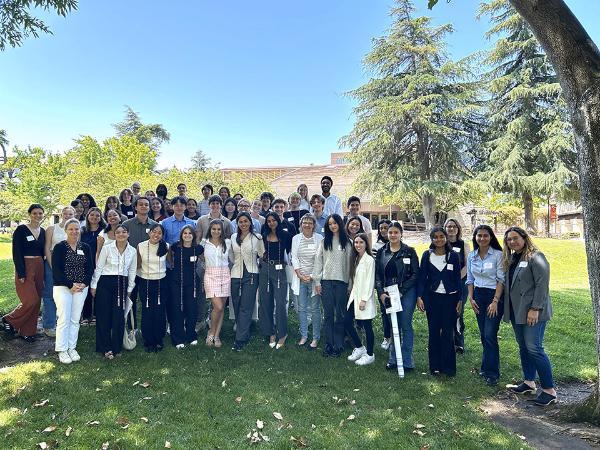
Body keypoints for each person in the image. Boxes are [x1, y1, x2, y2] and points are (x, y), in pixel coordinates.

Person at [503, 226, 557, 406]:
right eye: (509, 239)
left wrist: (535, 308)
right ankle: (529, 382)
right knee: (524, 347)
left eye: (515, 238)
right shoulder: (512, 258)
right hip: (517, 311)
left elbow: (542, 285)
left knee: (534, 348)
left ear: (524, 238)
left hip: (533, 311)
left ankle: (549, 390)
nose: (512, 242)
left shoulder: (536, 257)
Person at [416, 226, 462, 377]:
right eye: (435, 237)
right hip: (433, 299)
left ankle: (448, 367)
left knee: (448, 332)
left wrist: (460, 299)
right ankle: (434, 366)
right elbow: (422, 278)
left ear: (446, 237)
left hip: (450, 298)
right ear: (431, 239)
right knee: (434, 332)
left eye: (441, 236)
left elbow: (457, 279)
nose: (438, 239)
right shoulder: (427, 255)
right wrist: (419, 296)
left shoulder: (453, 256)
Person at [375, 221, 419, 369]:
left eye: (396, 232)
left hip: (406, 291)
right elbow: (378, 275)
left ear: (401, 234)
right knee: (394, 325)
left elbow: (415, 274)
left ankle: (407, 360)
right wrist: (381, 293)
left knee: (405, 324)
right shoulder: (382, 252)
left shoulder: (409, 251)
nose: (393, 235)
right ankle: (394, 358)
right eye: (390, 232)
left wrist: (402, 290)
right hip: (388, 292)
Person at [90, 224, 136, 359]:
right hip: (105, 282)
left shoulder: (132, 251)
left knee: (118, 316)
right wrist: (94, 285)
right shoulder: (107, 248)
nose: (121, 234)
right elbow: (99, 267)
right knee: (103, 316)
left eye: (124, 232)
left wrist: (129, 289)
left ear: (128, 234)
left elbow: (132, 270)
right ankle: (105, 347)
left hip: (122, 283)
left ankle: (116, 347)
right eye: (118, 232)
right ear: (114, 235)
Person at [466, 224, 505, 386]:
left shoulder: (498, 255)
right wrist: (471, 298)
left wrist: (495, 301)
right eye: (479, 235)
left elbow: (500, 279)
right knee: (484, 334)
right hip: (478, 296)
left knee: (490, 334)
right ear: (475, 238)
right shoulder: (472, 256)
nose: (482, 238)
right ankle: (485, 366)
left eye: (485, 235)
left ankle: (492, 373)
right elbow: (470, 279)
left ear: (491, 237)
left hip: (493, 296)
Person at [51, 218, 94, 364]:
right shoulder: (59, 247)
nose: (74, 232)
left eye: (77, 229)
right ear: (66, 231)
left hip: (81, 288)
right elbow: (56, 270)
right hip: (63, 287)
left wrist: (84, 283)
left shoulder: (85, 247)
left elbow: (90, 268)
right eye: (71, 229)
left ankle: (71, 347)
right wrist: (70, 284)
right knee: (64, 319)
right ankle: (62, 350)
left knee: (75, 319)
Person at [2, 204, 46, 342]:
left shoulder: (43, 231)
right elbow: (17, 252)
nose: (37, 216)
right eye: (34, 213)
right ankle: (8, 320)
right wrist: (21, 273)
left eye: (40, 213)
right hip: (25, 266)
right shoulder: (21, 230)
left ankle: (28, 332)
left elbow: (43, 251)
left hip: (39, 266)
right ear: (29, 214)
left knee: (37, 300)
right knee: (30, 299)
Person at [313, 214, 352, 357]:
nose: (332, 226)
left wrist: (350, 285)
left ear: (340, 224)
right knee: (328, 315)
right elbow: (318, 262)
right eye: (330, 224)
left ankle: (339, 344)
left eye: (335, 223)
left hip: (342, 283)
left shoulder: (348, 242)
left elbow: (350, 266)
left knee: (340, 315)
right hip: (326, 282)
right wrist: (317, 282)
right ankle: (329, 344)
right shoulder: (324, 242)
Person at [229, 212, 265, 351]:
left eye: (246, 221)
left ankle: (240, 339)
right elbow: (231, 256)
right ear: (237, 224)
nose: (243, 224)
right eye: (240, 222)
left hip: (251, 274)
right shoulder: (233, 237)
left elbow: (262, 255)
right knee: (236, 303)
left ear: (250, 222)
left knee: (246, 306)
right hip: (236, 274)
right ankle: (244, 330)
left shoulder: (257, 237)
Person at [258, 212, 291, 349]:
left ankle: (282, 333)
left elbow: (289, 251)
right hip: (265, 269)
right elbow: (260, 252)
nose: (271, 223)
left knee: (281, 302)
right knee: (266, 301)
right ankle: (270, 331)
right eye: (269, 221)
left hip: (279, 270)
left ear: (278, 220)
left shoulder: (285, 235)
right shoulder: (264, 235)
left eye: (274, 220)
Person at [167, 225, 204, 348]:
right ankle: (178, 338)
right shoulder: (175, 247)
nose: (187, 235)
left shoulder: (198, 249)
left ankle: (191, 335)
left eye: (190, 233)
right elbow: (170, 257)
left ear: (193, 235)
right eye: (185, 233)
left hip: (192, 283)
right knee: (177, 309)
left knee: (191, 309)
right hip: (176, 281)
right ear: (181, 235)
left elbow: (204, 260)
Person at [42, 206, 75, 338]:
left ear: (74, 215)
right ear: (62, 215)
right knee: (50, 295)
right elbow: (47, 247)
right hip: (52, 265)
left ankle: (63, 323)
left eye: (71, 214)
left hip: (69, 267)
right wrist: (52, 266)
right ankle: (49, 325)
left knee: (65, 295)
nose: (68, 216)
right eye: (65, 214)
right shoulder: (52, 228)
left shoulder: (75, 229)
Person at [291, 214, 323, 349]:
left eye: (310, 222)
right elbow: (294, 256)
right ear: (301, 224)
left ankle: (316, 337)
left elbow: (320, 259)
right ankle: (304, 335)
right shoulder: (296, 238)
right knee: (302, 308)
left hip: (314, 278)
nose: (307, 225)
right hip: (301, 278)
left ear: (314, 225)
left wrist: (313, 276)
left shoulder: (319, 239)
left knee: (315, 309)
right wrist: (299, 274)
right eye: (305, 222)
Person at [346, 233, 377, 366]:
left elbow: (370, 281)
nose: (358, 245)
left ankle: (370, 354)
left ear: (366, 244)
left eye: (361, 242)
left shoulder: (369, 260)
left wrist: (364, 299)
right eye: (356, 242)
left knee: (367, 326)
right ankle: (359, 347)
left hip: (365, 298)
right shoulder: (356, 258)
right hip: (354, 296)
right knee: (347, 321)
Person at [137, 224, 169, 352]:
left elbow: (170, 262)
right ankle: (148, 340)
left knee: (159, 311)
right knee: (147, 310)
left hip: (161, 282)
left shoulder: (166, 246)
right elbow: (138, 265)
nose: (156, 235)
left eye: (159, 233)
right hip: (146, 281)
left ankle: (159, 338)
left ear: (162, 235)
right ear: (149, 233)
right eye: (154, 232)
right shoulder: (141, 245)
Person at [202, 219, 231, 348]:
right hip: (210, 275)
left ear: (222, 231)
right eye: (214, 229)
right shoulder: (204, 243)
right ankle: (211, 333)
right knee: (217, 306)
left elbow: (233, 258)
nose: (216, 231)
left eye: (219, 229)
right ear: (210, 229)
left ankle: (217, 335)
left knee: (221, 308)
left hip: (225, 275)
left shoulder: (228, 243)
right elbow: (200, 256)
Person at [444, 218, 471, 354]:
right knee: (446, 312)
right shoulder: (440, 243)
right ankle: (447, 341)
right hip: (443, 283)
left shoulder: (464, 245)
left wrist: (456, 278)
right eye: (448, 226)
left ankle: (459, 343)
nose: (451, 229)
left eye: (454, 226)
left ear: (458, 228)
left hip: (460, 282)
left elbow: (467, 265)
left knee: (457, 312)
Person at [80, 207, 106, 324]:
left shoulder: (104, 230)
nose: (94, 218)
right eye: (92, 215)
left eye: (97, 215)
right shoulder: (82, 231)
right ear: (88, 216)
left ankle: (97, 314)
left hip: (100, 263)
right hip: (85, 263)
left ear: (100, 218)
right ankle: (86, 315)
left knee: (98, 288)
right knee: (86, 288)